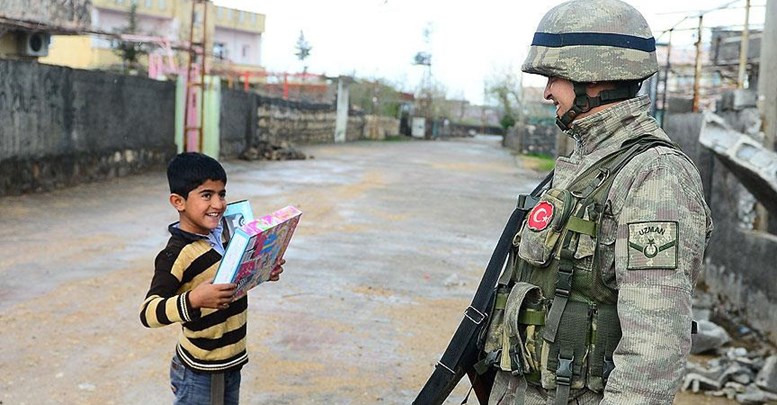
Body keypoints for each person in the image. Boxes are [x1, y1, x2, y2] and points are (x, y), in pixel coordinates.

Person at [481, 1, 714, 404]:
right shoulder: (589, 162)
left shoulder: (655, 176)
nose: (547, 91)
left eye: (554, 76)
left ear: (592, 77)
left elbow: (654, 350)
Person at [139, 152, 283, 405]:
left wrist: (262, 269)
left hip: (231, 361)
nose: (218, 204)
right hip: (199, 370)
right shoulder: (176, 255)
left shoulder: (228, 236)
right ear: (178, 201)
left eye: (222, 194)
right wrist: (194, 299)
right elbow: (148, 313)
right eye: (207, 195)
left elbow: (236, 280)